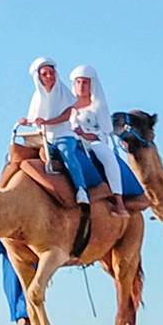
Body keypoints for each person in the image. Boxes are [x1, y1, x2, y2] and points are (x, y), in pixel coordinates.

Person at [19, 57, 94, 205]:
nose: (49, 76)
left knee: (67, 154)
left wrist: (47, 122)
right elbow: (34, 118)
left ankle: (81, 190)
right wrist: (25, 121)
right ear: (38, 77)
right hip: (43, 138)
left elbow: (67, 115)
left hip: (63, 135)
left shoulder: (63, 92)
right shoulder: (37, 96)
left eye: (51, 73)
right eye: (45, 74)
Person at [70, 64, 126, 217]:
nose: (81, 86)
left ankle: (119, 200)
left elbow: (104, 131)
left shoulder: (97, 106)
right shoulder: (66, 106)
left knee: (108, 157)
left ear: (91, 84)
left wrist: (85, 134)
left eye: (85, 82)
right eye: (78, 82)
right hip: (70, 141)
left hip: (93, 143)